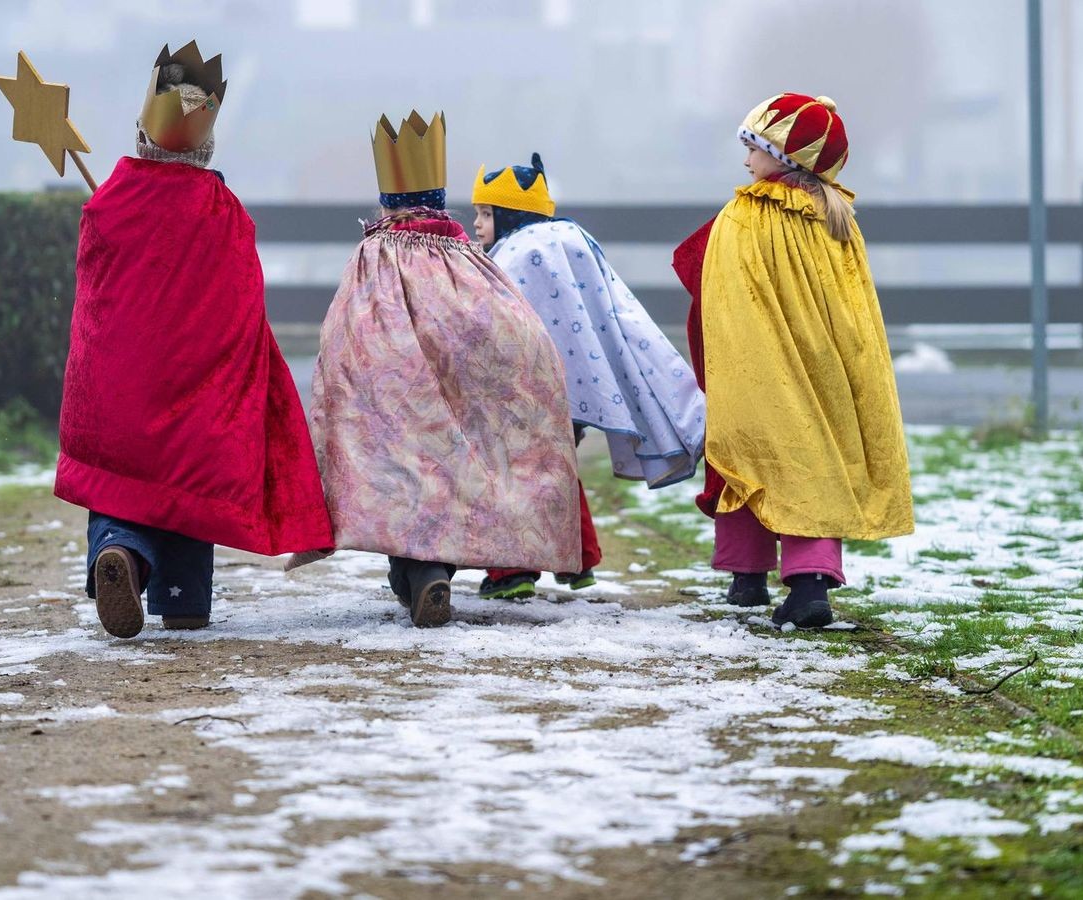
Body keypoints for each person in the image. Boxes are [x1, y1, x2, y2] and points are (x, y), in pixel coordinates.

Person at [54, 41, 333, 638]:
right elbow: (241, 304)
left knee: (121, 485)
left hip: (120, 396)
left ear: (140, 134)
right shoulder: (223, 212)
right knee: (188, 481)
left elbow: (95, 295)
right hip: (196, 400)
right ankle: (183, 599)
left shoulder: (109, 205)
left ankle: (122, 554)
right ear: (205, 146)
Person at [288, 111, 581, 627]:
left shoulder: (373, 253)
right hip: (457, 386)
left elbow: (345, 325)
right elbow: (506, 320)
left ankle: (418, 578)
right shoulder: (466, 255)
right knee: (445, 478)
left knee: (404, 480)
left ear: (387, 201)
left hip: (391, 391)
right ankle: (432, 574)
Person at [672, 93, 914, 629]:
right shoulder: (839, 220)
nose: (746, 162)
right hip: (828, 364)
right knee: (814, 458)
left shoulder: (747, 213)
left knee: (748, 455)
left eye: (753, 148)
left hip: (758, 363)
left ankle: (747, 577)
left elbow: (706, 275)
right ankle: (811, 585)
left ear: (783, 157)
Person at [471, 153, 706, 599]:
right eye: (478, 213)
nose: (479, 224)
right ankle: (578, 561)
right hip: (572, 390)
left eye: (487, 213)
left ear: (510, 214)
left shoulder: (518, 253)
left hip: (520, 394)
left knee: (510, 477)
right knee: (557, 470)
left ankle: (512, 572)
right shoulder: (567, 241)